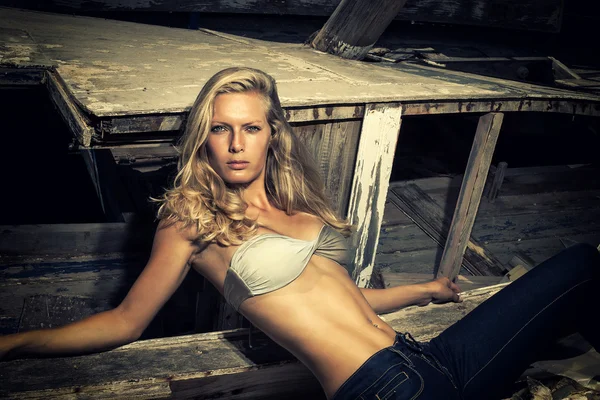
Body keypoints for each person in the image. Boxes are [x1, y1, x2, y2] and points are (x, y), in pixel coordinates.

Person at [1, 67, 599, 400]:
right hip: (383, 390)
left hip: (426, 357)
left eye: (251, 128)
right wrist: (16, 343)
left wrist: (424, 290)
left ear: (272, 133)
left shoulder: (296, 205)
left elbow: (339, 300)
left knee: (579, 264)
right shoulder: (191, 217)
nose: (236, 144)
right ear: (204, 138)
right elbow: (125, 322)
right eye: (220, 130)